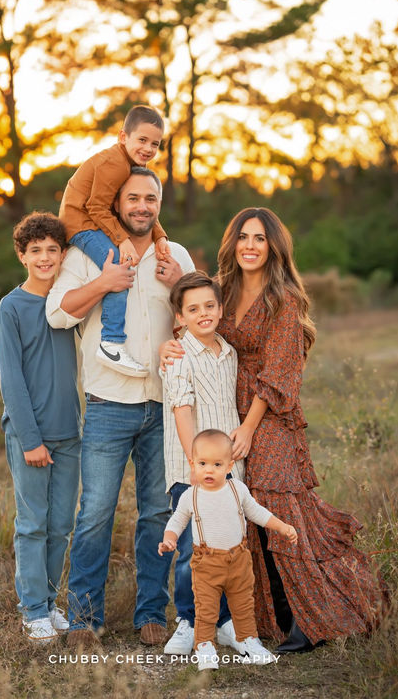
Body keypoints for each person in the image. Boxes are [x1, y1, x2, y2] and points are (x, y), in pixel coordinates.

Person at [161, 206, 384, 652]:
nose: (249, 245)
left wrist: (248, 427)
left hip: (268, 416)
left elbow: (281, 371)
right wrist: (171, 344)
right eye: (243, 236)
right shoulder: (221, 290)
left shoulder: (285, 298)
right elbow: (193, 323)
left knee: (284, 510)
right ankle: (266, 618)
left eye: (260, 238)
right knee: (244, 515)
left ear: (274, 245)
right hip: (221, 415)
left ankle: (312, 618)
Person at [46, 166, 194, 649]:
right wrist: (105, 282)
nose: (141, 206)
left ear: (159, 202)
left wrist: (179, 287)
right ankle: (86, 618)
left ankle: (151, 611)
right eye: (132, 197)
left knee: (156, 511)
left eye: (150, 198)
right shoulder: (89, 252)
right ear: (116, 202)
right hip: (109, 402)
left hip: (166, 405)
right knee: (96, 512)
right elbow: (57, 312)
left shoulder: (178, 255)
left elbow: (200, 322)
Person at [0, 212, 81, 644]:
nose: (45, 258)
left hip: (70, 432)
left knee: (62, 523)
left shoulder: (69, 305)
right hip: (30, 434)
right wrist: (31, 440)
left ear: (63, 254)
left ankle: (48, 602)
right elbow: (12, 380)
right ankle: (31, 610)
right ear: (22, 256)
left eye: (52, 250)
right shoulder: (11, 307)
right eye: (36, 251)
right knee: (33, 523)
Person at [158, 429, 298, 670]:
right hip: (207, 563)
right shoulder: (191, 496)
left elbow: (257, 512)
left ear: (230, 465)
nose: (209, 470)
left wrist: (282, 527)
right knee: (206, 607)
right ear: (192, 463)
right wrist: (169, 539)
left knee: (243, 604)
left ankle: (248, 641)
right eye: (202, 463)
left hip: (239, 560)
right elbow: (177, 521)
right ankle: (204, 646)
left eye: (217, 464)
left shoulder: (237, 489)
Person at [161, 271, 245, 657]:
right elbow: (182, 410)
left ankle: (223, 621)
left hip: (227, 472)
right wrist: (196, 464)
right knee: (194, 550)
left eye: (209, 306)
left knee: (225, 544)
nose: (203, 313)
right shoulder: (178, 355)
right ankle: (188, 620)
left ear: (220, 308)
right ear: (180, 317)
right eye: (193, 309)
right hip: (191, 471)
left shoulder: (229, 352)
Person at [59, 104, 170, 378]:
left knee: (121, 262)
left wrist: (160, 235)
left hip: (91, 220)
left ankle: (111, 340)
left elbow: (139, 207)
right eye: (141, 140)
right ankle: (111, 342)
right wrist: (122, 240)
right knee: (120, 265)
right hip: (80, 223)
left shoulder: (131, 164)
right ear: (123, 137)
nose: (148, 148)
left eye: (154, 144)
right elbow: (97, 207)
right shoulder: (115, 163)